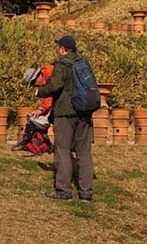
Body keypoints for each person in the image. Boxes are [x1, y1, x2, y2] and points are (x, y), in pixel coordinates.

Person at [37, 35, 94, 202]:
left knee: (62, 150)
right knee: (84, 153)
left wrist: (39, 92)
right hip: (85, 112)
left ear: (63, 49)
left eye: (58, 47)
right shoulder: (84, 63)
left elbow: (55, 86)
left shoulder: (62, 64)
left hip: (66, 113)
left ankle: (63, 191)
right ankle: (86, 194)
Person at [12, 63, 55, 156]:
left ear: (37, 77)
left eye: (33, 84)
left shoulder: (50, 74)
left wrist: (41, 110)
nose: (35, 86)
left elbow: (51, 96)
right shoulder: (47, 76)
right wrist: (41, 111)